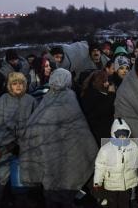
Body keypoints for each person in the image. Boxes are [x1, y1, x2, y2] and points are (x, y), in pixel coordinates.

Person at [20, 69, 98, 208]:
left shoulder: (48, 98)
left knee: (53, 192)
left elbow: (34, 125)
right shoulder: (70, 97)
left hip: (49, 156)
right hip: (68, 154)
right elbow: (80, 129)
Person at [0, 72, 36, 208]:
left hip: (27, 146)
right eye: (14, 83)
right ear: (9, 86)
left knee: (24, 175)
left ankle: (21, 200)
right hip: (5, 148)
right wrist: (8, 143)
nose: (18, 86)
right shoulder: (2, 101)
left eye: (21, 83)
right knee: (2, 176)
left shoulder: (31, 100)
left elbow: (37, 123)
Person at [93, 118, 138, 208]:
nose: (122, 136)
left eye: (124, 133)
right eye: (119, 134)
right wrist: (97, 181)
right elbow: (99, 166)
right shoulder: (106, 149)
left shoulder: (132, 145)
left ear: (128, 133)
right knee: (113, 203)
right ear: (114, 134)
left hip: (127, 184)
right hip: (112, 184)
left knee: (125, 203)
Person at [79, 70, 116, 147]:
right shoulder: (95, 96)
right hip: (101, 135)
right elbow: (107, 109)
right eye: (105, 81)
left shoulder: (88, 93)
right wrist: (111, 94)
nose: (107, 84)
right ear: (99, 82)